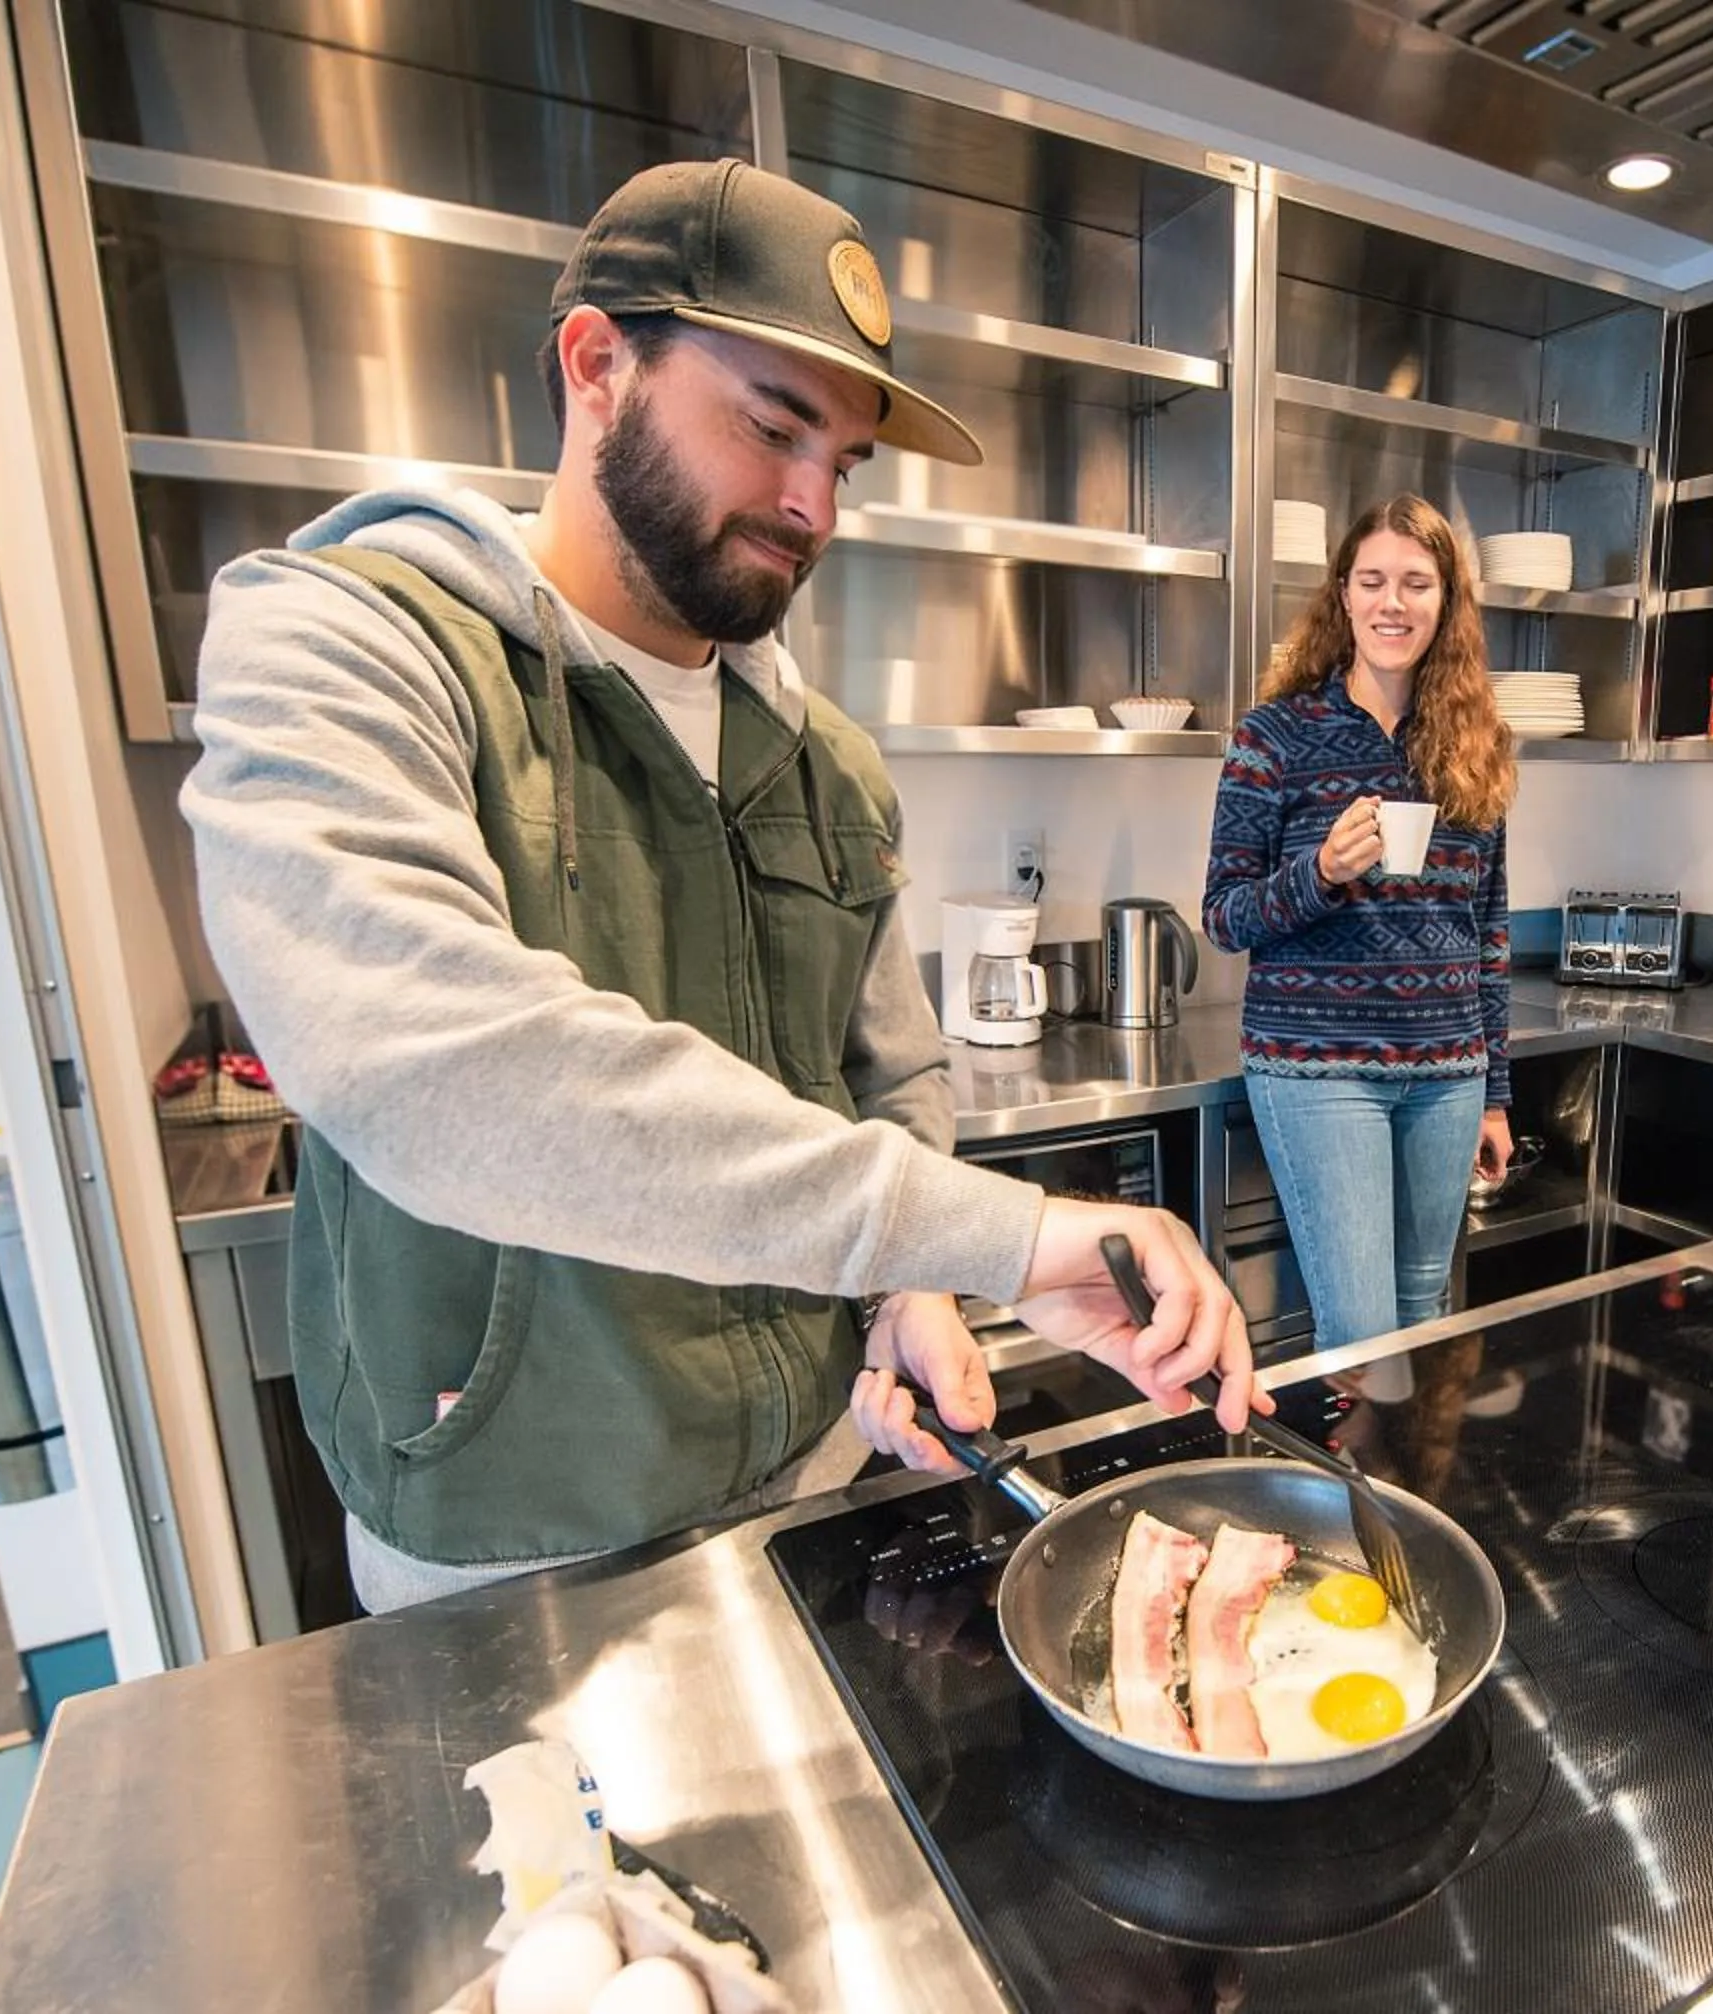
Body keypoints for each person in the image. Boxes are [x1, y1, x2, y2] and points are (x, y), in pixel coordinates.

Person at [182, 159, 1261, 1613]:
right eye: (772, 427)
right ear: (595, 366)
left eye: (848, 463)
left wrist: (908, 1294)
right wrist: (999, 1239)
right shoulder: (347, 645)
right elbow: (441, 1072)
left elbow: (891, 1069)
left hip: (812, 1481)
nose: (815, 505)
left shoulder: (825, 761)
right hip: (522, 1526)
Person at [1201, 495, 1517, 1366]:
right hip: (1317, 1069)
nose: (1393, 603)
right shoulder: (1273, 739)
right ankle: (1358, 1505)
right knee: (1364, 1336)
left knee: (1422, 1313)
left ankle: (1398, 1501)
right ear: (1342, 595)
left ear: (1447, 602)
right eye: (1373, 580)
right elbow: (1224, 915)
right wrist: (1321, 875)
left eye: (1417, 583)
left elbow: (1487, 930)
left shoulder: (1474, 743)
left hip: (1447, 1074)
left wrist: (1495, 1092)